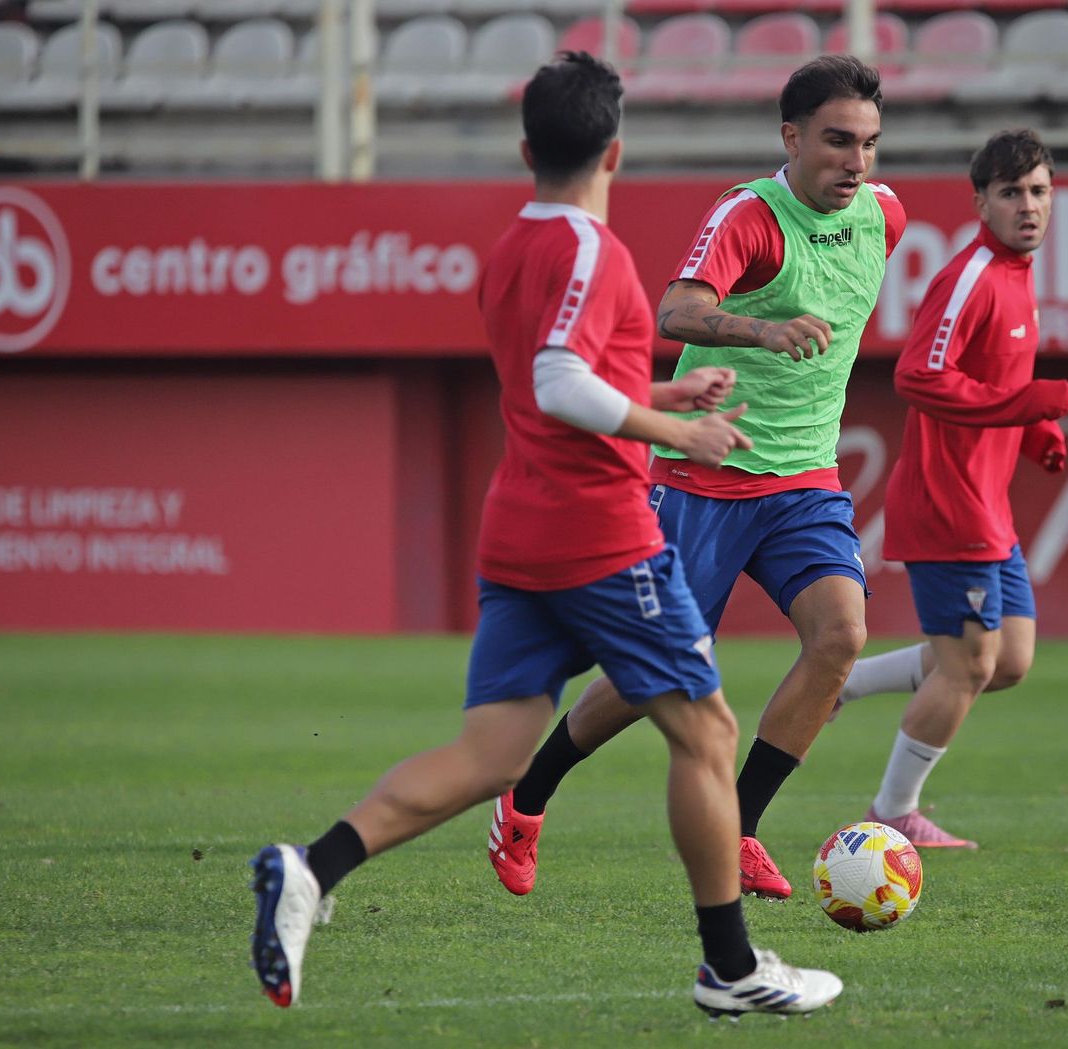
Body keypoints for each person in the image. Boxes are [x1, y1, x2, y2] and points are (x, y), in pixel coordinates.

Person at [248, 52, 843, 1019]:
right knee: (706, 732)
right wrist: (679, 430)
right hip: (597, 536)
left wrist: (662, 391)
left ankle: (310, 869)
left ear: (528, 148)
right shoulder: (592, 251)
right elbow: (560, 387)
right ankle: (729, 968)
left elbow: (560, 380)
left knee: (491, 755)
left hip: (518, 531)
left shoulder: (509, 252)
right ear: (616, 150)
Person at [489, 54, 907, 901]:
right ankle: (525, 798)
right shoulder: (750, 215)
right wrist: (761, 331)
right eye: (836, 142)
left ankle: (743, 828)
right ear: (791, 138)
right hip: (704, 476)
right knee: (653, 681)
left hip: (804, 481)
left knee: (841, 637)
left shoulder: (886, 217)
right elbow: (677, 308)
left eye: (868, 144)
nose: (855, 163)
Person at [833, 129, 1068, 849]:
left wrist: (1036, 433)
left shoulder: (1019, 272)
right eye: (1010, 193)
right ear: (981, 202)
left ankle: (841, 684)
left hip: (988, 504)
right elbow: (917, 376)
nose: (1027, 206)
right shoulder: (971, 274)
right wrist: (1023, 406)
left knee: (1008, 662)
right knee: (970, 664)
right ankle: (891, 812)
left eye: (1038, 191)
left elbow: (995, 383)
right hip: (949, 503)